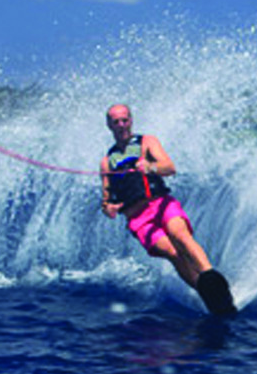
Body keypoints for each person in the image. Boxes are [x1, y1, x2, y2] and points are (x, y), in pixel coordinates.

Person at [99, 104, 235, 315]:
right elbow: (106, 198)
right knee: (172, 253)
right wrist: (109, 208)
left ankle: (212, 279)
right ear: (109, 125)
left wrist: (150, 167)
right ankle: (209, 295)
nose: (121, 125)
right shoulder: (107, 162)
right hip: (138, 218)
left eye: (124, 120)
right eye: (116, 122)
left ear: (131, 120)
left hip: (160, 203)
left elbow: (170, 168)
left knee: (180, 236)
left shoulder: (147, 142)